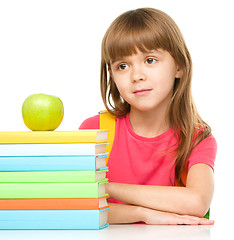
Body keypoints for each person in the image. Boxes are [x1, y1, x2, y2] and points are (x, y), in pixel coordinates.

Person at [79, 8, 217, 225]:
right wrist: (141, 213)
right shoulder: (95, 130)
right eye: (122, 66)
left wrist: (105, 187)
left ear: (179, 67)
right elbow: (80, 205)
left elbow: (197, 202)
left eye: (150, 60)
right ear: (112, 76)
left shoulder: (197, 138)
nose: (137, 76)